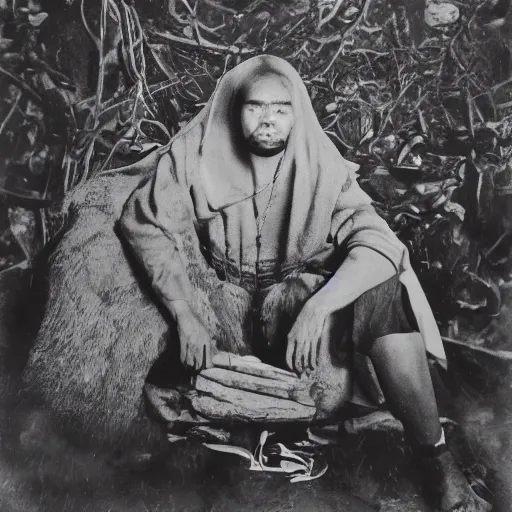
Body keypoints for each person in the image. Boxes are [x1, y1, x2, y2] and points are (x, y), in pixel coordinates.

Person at [119, 55, 491, 512]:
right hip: (220, 307)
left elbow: (377, 240)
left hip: (290, 310)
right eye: (255, 107)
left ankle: (435, 458)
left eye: (280, 108)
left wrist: (317, 307)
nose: (269, 120)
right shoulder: (196, 153)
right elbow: (145, 222)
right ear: (235, 110)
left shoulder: (318, 161)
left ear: (296, 112)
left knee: (382, 291)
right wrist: (185, 312)